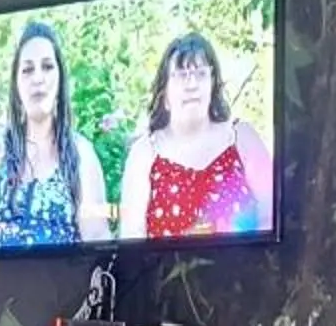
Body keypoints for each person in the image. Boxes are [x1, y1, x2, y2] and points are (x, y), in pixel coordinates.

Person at [0, 21, 111, 252]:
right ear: (16, 83)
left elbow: (97, 238)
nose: (38, 78)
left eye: (48, 67)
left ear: (60, 78)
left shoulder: (82, 154)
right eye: (28, 69)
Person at [118, 32, 275, 241]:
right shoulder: (144, 154)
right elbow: (131, 239)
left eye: (201, 74)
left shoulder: (243, 138)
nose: (192, 84)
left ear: (213, 85)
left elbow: (272, 217)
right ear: (164, 94)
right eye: (181, 75)